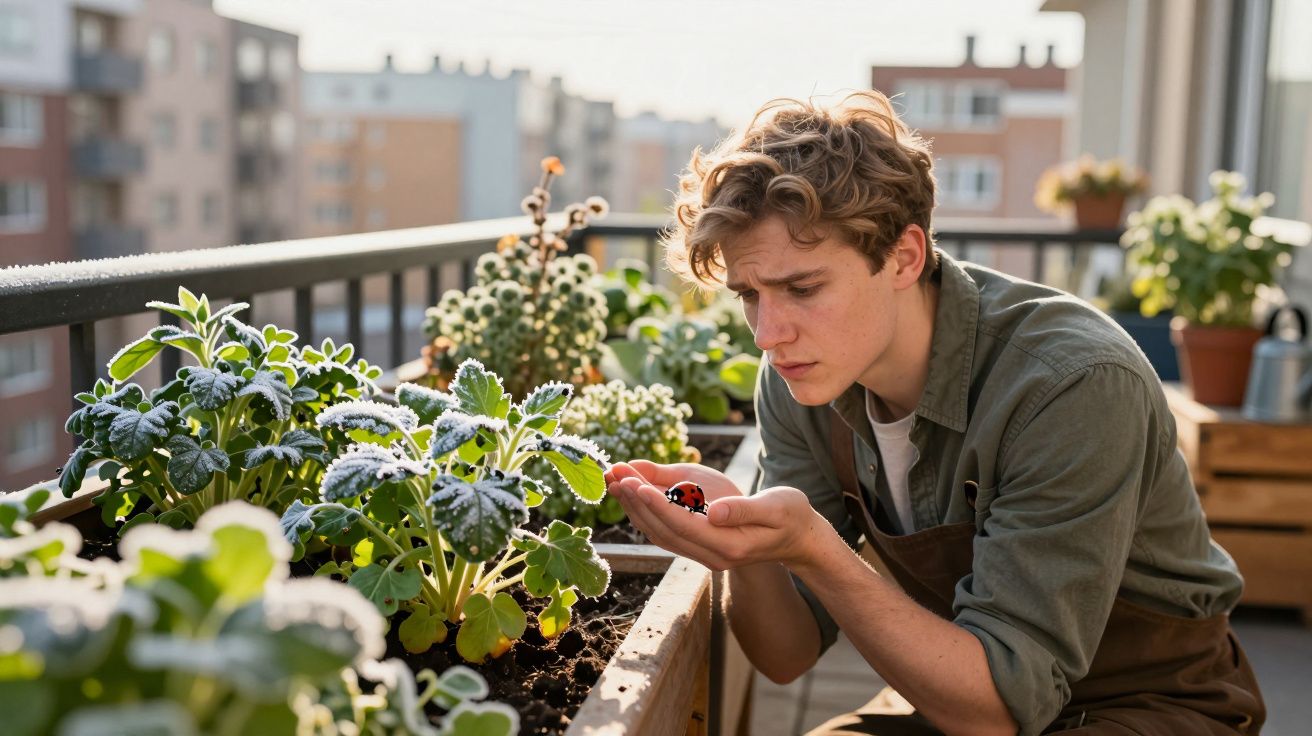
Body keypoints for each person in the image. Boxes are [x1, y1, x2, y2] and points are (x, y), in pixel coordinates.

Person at [602, 91, 1265, 735]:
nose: (768, 334)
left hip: (1151, 700)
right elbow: (787, 654)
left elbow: (999, 711)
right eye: (750, 295)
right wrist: (741, 551)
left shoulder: (1072, 385)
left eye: (802, 288)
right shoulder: (802, 380)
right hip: (962, 688)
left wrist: (816, 549)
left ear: (904, 257)